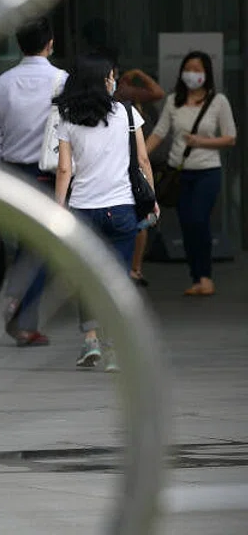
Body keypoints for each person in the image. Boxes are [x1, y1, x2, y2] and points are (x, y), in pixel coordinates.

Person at [54, 54, 157, 371]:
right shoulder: (127, 113)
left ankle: (90, 341)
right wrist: (151, 199)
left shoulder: (68, 118)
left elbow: (64, 169)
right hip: (121, 208)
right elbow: (143, 160)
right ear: (104, 81)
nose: (114, 81)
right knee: (118, 280)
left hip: (83, 209)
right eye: (111, 76)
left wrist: (58, 208)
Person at [0, 17, 67, 347]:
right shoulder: (62, 81)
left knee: (27, 244)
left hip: (11, 174)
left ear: (19, 45)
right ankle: (21, 313)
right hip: (47, 174)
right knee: (42, 247)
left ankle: (17, 303)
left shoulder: (1, 84)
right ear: (50, 43)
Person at [145, 51, 237, 296]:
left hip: (207, 171)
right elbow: (159, 133)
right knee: (186, 225)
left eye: (197, 69)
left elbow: (230, 138)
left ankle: (205, 276)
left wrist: (201, 142)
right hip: (179, 173)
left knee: (199, 219)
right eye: (188, 69)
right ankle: (196, 277)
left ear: (206, 73)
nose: (192, 74)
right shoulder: (173, 101)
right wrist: (138, 156)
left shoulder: (218, 101)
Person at [114, 68, 166, 286]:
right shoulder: (123, 97)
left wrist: (137, 73)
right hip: (132, 164)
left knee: (137, 219)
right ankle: (132, 269)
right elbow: (158, 92)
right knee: (138, 216)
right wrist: (138, 74)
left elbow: (157, 92)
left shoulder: (128, 99)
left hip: (132, 164)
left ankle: (132, 269)